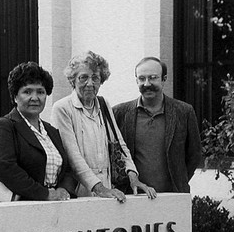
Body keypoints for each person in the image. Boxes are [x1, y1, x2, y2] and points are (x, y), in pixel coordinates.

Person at [51, 51, 156, 203]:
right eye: (83, 77)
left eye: (95, 77)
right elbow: (73, 156)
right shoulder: (62, 108)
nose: (90, 83)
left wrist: (133, 176)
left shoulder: (103, 104)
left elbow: (119, 144)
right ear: (73, 80)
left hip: (108, 191)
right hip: (78, 192)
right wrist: (100, 189)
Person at [113, 57, 202, 193]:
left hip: (172, 196)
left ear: (164, 79)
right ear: (136, 80)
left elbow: (194, 155)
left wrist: (178, 181)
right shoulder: (119, 113)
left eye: (153, 78)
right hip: (133, 197)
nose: (147, 84)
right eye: (142, 79)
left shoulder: (184, 112)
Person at [0, 61, 76, 201]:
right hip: (21, 208)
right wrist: (45, 194)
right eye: (27, 91)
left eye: (40, 92)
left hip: (55, 207)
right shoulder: (5, 126)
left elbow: (68, 169)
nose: (35, 98)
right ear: (15, 97)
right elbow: (5, 168)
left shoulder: (51, 131)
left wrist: (63, 190)